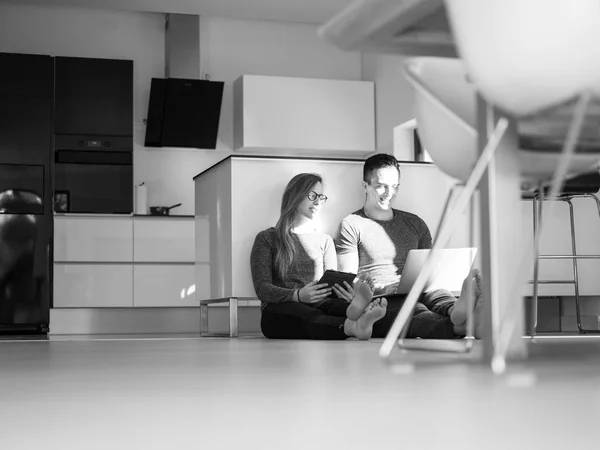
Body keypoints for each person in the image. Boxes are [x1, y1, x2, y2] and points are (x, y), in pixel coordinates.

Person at [334, 153, 483, 339]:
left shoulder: (415, 223)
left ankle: (456, 309)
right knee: (415, 311)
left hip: (422, 288)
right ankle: (465, 326)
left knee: (438, 293)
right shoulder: (351, 224)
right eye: (381, 187)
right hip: (383, 297)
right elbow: (347, 280)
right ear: (366, 186)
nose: (390, 193)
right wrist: (381, 288)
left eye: (394, 186)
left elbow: (430, 266)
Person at [250, 173, 387, 340]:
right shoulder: (267, 238)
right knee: (304, 313)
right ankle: (353, 325)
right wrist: (297, 295)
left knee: (331, 306)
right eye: (312, 195)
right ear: (294, 196)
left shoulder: (325, 241)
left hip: (319, 304)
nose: (317, 201)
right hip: (278, 311)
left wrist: (345, 292)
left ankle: (356, 312)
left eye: (321, 197)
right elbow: (262, 289)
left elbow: (329, 287)